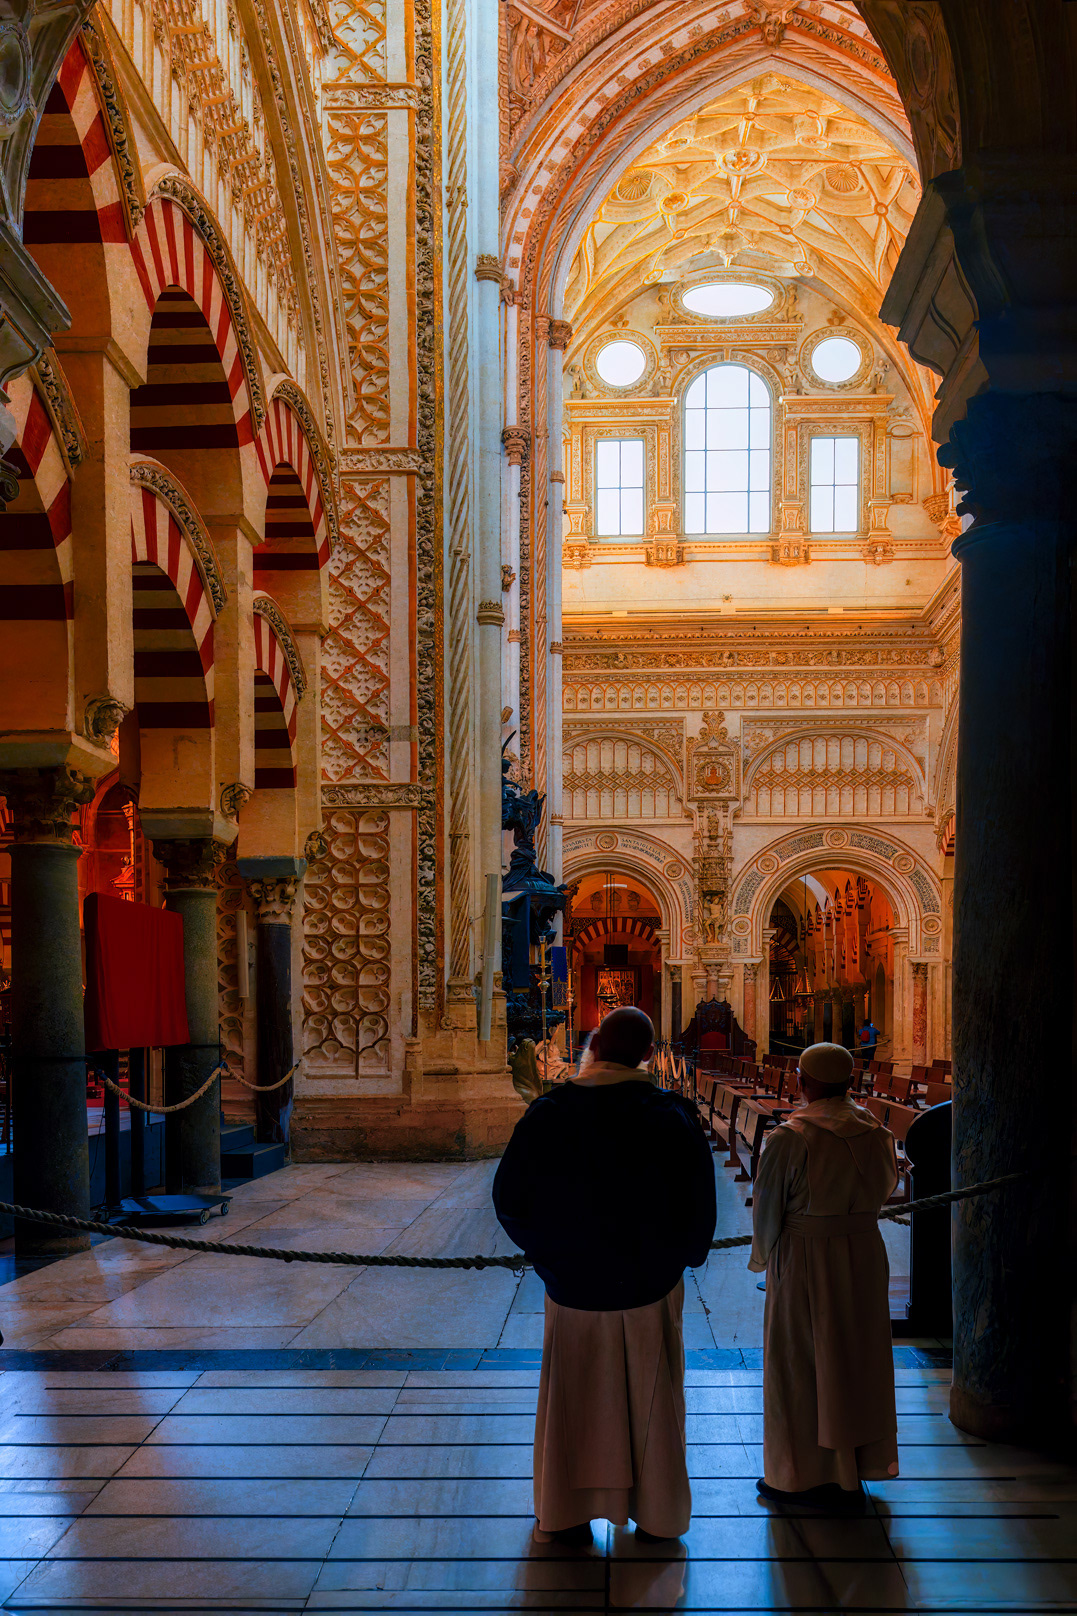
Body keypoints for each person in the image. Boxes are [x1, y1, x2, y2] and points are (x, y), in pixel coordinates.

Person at [493, 1006, 716, 1547]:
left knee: (574, 1400)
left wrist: (554, 1258)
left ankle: (566, 1513)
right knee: (652, 1402)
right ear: (647, 1055)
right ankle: (657, 1514)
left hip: (573, 1289)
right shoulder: (672, 1115)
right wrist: (677, 1258)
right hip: (649, 1289)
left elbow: (510, 1201)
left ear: (591, 1047)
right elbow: (700, 1207)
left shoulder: (549, 1113)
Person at [749, 1041, 899, 1511]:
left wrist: (764, 1257)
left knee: (799, 1361)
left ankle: (796, 1475)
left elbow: (767, 1208)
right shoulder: (876, 1131)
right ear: (849, 1082)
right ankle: (857, 1465)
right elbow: (888, 1186)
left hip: (806, 1257)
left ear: (802, 1082)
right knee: (856, 1357)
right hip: (863, 1253)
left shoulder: (790, 1137)